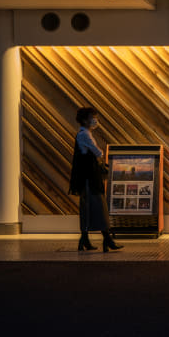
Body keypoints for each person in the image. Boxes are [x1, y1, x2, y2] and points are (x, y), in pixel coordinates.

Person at [69, 107, 123, 252]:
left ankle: (86, 239)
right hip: (89, 179)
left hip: (89, 177)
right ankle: (106, 239)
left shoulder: (85, 133)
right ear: (85, 119)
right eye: (92, 117)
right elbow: (98, 151)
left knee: (90, 208)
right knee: (98, 206)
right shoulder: (84, 135)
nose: (95, 120)